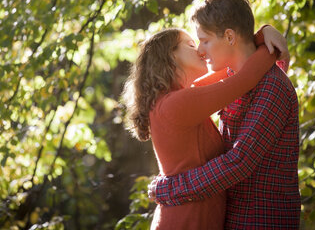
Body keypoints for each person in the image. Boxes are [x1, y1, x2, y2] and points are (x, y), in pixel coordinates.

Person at [149, 0, 300, 229]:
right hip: (229, 218)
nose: (200, 49)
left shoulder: (272, 87)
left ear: (229, 37)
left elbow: (239, 161)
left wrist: (173, 188)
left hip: (261, 220)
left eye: (205, 40)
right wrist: (263, 35)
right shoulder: (229, 79)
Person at [121, 19, 288, 229]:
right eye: (191, 45)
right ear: (170, 57)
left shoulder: (176, 98)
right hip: (186, 220)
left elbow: (237, 64)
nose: (200, 50)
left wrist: (263, 34)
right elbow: (245, 78)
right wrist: (272, 48)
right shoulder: (175, 104)